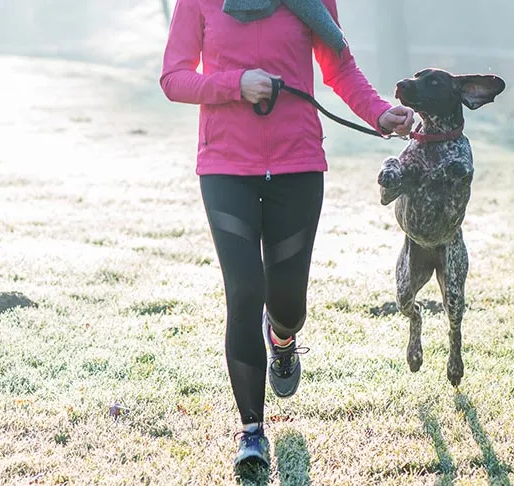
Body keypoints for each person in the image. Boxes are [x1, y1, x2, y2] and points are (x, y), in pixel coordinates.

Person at [160, 0, 414, 469]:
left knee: (288, 305)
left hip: (297, 165)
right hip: (225, 168)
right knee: (244, 290)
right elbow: (174, 77)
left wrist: (379, 114)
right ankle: (251, 432)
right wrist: (235, 84)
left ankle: (283, 339)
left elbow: (339, 67)